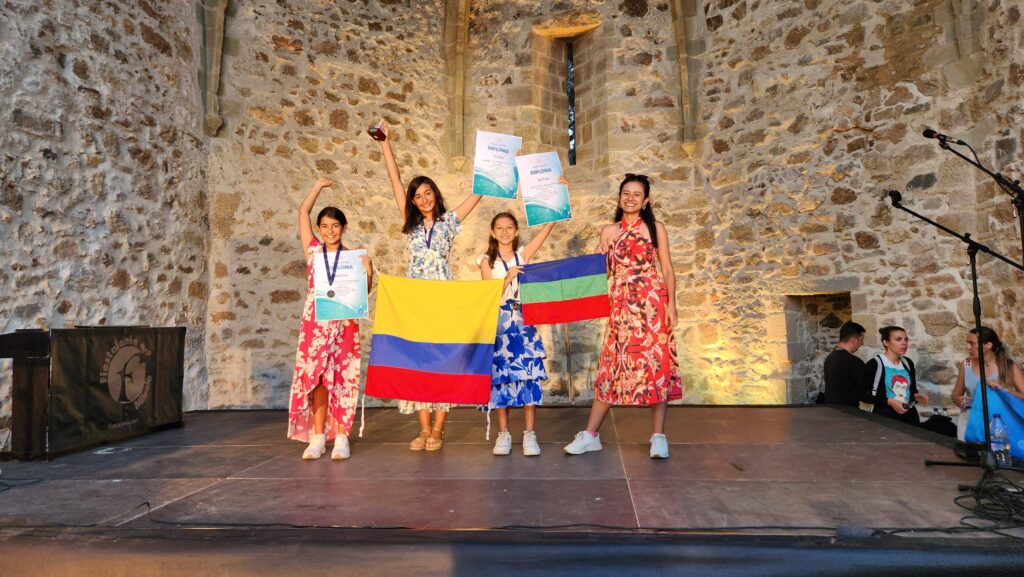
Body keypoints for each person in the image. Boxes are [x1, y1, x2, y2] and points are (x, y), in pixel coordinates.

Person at [374, 118, 484, 451]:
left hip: (443, 295)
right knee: (417, 360)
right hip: (416, 297)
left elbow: (478, 193)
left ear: (435, 194)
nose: (423, 199)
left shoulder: (450, 222)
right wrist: (384, 144)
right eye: (417, 196)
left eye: (427, 193)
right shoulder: (409, 226)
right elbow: (395, 179)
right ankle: (422, 429)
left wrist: (500, 166)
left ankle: (438, 429)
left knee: (441, 359)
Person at [564, 173, 682, 459]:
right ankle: (591, 435)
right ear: (620, 197)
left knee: (656, 365)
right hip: (621, 306)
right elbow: (605, 274)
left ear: (646, 201)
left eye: (636, 194)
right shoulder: (608, 231)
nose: (630, 198)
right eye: (625, 193)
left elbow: (667, 268)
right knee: (612, 365)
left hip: (651, 304)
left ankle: (658, 437)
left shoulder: (656, 229)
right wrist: (598, 257)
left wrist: (672, 305)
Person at [288, 177, 373, 460]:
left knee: (343, 378)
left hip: (344, 324)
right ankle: (317, 436)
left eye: (335, 226)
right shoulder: (313, 251)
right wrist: (316, 187)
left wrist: (369, 271)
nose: (329, 231)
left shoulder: (352, 257)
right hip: (315, 323)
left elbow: (363, 295)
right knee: (318, 380)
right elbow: (303, 213)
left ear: (344, 228)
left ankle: (341, 436)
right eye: (324, 226)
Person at [476, 212, 556, 456]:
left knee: (527, 377)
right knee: (502, 380)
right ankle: (504, 433)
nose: (504, 232)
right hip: (499, 328)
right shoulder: (486, 261)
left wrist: (556, 201)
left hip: (522, 325)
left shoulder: (522, 255)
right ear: (492, 232)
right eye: (499, 227)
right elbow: (487, 296)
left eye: (509, 227)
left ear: (516, 230)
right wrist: (508, 277)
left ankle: (530, 433)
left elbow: (546, 230)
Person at [952, 326, 1024, 441]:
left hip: (999, 423)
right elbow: (956, 394)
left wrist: (1005, 390)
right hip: (970, 422)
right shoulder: (966, 364)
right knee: (969, 457)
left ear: (988, 345)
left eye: (972, 343)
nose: (968, 347)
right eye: (967, 343)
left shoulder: (1008, 366)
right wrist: (957, 399)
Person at [861, 326, 929, 426]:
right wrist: (889, 401)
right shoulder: (875, 364)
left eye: (906, 339)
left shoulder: (908, 363)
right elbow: (861, 394)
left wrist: (916, 396)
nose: (904, 343)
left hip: (909, 418)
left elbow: (911, 391)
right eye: (898, 339)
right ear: (886, 342)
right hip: (884, 419)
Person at [822, 321, 866, 406]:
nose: (862, 343)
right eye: (861, 339)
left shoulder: (829, 358)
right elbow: (864, 392)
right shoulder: (854, 362)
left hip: (831, 410)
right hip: (848, 412)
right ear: (853, 340)